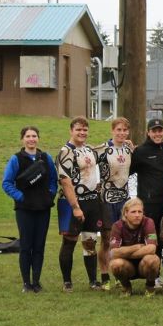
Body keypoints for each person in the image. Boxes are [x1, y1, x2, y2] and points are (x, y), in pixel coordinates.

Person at [2, 125, 57, 293]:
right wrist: (21, 197)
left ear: (38, 138)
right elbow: (6, 183)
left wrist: (49, 195)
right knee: (26, 246)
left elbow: (53, 180)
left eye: (34, 136)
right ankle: (26, 283)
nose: (31, 139)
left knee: (39, 246)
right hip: (24, 210)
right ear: (23, 139)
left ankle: (36, 281)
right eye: (28, 136)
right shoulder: (16, 159)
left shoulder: (45, 158)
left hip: (43, 208)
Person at [56, 116, 103, 291]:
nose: (82, 133)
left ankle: (92, 281)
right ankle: (67, 282)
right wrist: (75, 207)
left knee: (90, 241)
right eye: (78, 130)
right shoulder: (66, 152)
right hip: (72, 203)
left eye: (85, 130)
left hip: (91, 201)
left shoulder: (88, 149)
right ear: (71, 131)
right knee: (69, 241)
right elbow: (65, 181)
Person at [97, 117, 134, 290]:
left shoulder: (129, 149)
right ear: (112, 130)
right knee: (106, 239)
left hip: (124, 199)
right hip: (106, 199)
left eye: (124, 130)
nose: (121, 133)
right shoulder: (102, 150)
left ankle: (119, 274)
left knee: (122, 240)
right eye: (118, 130)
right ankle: (104, 276)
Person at [129, 119, 163, 253]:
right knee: (151, 236)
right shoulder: (140, 151)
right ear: (148, 132)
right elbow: (127, 172)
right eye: (154, 131)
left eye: (160, 131)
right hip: (149, 203)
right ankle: (153, 270)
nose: (157, 134)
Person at [108, 198, 160, 297]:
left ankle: (150, 287)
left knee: (153, 260)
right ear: (125, 213)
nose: (137, 215)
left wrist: (124, 252)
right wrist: (136, 247)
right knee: (115, 264)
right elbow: (113, 253)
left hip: (143, 265)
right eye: (133, 212)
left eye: (140, 212)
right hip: (127, 266)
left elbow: (152, 249)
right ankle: (126, 287)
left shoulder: (148, 222)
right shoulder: (117, 226)